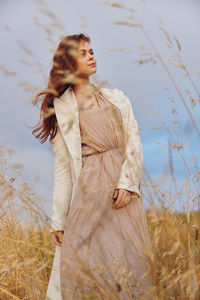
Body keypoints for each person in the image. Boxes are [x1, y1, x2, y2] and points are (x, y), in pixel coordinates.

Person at [32, 33, 154, 300]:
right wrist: (58, 220)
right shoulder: (60, 108)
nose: (91, 56)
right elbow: (63, 168)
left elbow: (134, 141)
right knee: (83, 265)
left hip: (120, 192)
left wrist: (128, 183)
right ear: (68, 62)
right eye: (83, 53)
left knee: (126, 263)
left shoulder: (117, 98)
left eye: (92, 51)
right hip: (86, 192)